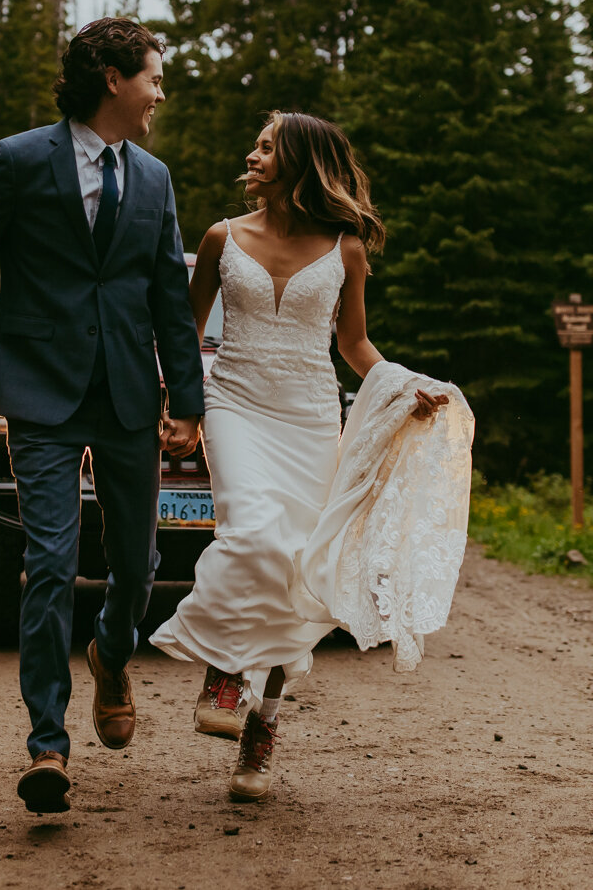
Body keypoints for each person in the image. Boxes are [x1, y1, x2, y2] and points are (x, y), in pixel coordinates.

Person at [0, 17, 206, 816]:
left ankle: (112, 654)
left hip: (129, 395)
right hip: (39, 388)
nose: (159, 93)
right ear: (112, 78)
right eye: (152, 76)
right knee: (49, 557)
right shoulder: (19, 159)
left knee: (136, 568)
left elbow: (171, 301)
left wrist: (189, 400)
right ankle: (47, 743)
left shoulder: (156, 177)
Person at [149, 111, 447, 802]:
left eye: (264, 146)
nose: (251, 155)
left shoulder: (345, 249)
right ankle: (224, 667)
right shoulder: (223, 238)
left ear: (300, 161)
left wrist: (404, 388)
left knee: (301, 567)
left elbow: (354, 345)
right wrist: (182, 413)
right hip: (236, 406)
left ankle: (264, 722)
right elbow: (184, 335)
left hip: (312, 416)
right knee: (252, 533)